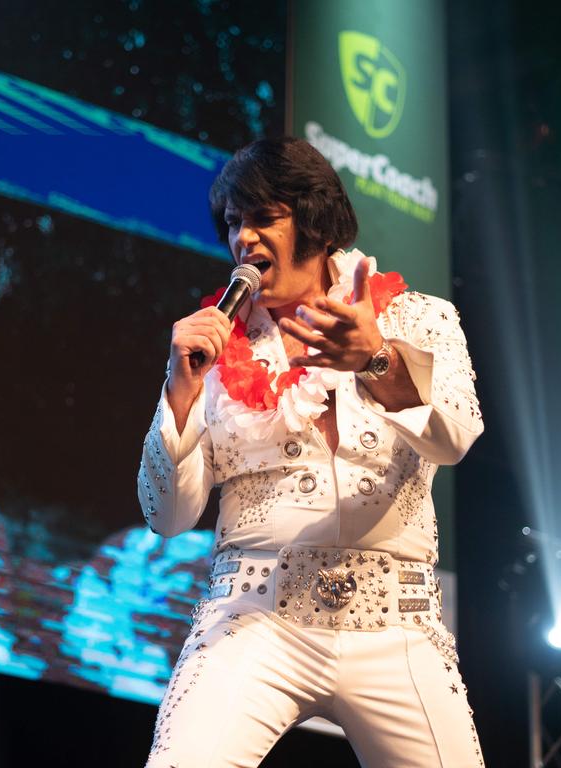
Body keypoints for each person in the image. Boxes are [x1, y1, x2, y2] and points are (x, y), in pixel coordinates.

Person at [137, 137, 485, 767]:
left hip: (398, 623)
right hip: (253, 616)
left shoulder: (420, 319)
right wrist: (180, 389)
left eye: (262, 217)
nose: (243, 237)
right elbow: (169, 517)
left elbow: (456, 436)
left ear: (316, 222)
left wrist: (376, 362)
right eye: (234, 222)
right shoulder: (211, 352)